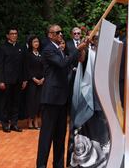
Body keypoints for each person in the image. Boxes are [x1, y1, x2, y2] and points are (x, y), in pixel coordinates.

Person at [36, 24, 86, 168]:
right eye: (57, 32)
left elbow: (73, 61)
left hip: (62, 99)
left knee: (59, 137)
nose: (61, 34)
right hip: (51, 99)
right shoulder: (48, 50)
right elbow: (62, 64)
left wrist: (81, 50)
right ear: (50, 35)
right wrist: (77, 49)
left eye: (61, 32)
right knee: (46, 137)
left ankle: (58, 165)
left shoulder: (60, 50)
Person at [0, 28, 27, 133]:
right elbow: (0, 65)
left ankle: (14, 124)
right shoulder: (3, 48)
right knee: (5, 103)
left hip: (18, 80)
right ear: (7, 35)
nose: (14, 35)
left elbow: (23, 65)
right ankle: (5, 124)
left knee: (16, 103)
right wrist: (1, 80)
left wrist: (24, 79)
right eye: (12, 34)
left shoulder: (20, 48)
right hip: (6, 80)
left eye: (16, 34)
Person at [25, 36, 44, 129]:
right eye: (34, 42)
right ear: (30, 43)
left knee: (38, 101)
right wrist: (33, 78)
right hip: (32, 81)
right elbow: (27, 68)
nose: (36, 43)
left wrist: (43, 78)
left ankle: (36, 120)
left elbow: (45, 67)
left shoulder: (41, 54)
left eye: (37, 41)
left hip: (41, 81)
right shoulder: (28, 54)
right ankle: (30, 120)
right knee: (31, 101)